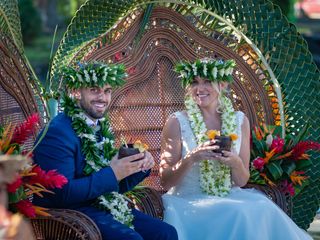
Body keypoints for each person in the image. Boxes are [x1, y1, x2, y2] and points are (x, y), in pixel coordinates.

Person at [160, 58, 312, 240]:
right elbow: (165, 181)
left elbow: (241, 181)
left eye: (207, 81)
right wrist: (192, 157)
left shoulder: (239, 120)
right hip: (187, 200)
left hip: (229, 194)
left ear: (222, 84)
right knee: (238, 213)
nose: (199, 89)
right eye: (194, 82)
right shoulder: (177, 122)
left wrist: (235, 162)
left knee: (262, 208)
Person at [33, 62, 178, 240]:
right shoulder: (58, 132)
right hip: (70, 215)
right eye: (94, 90)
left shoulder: (98, 127)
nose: (102, 97)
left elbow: (114, 186)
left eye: (107, 91)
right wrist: (113, 173)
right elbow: (61, 194)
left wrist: (140, 167)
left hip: (101, 205)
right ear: (76, 92)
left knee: (166, 233)